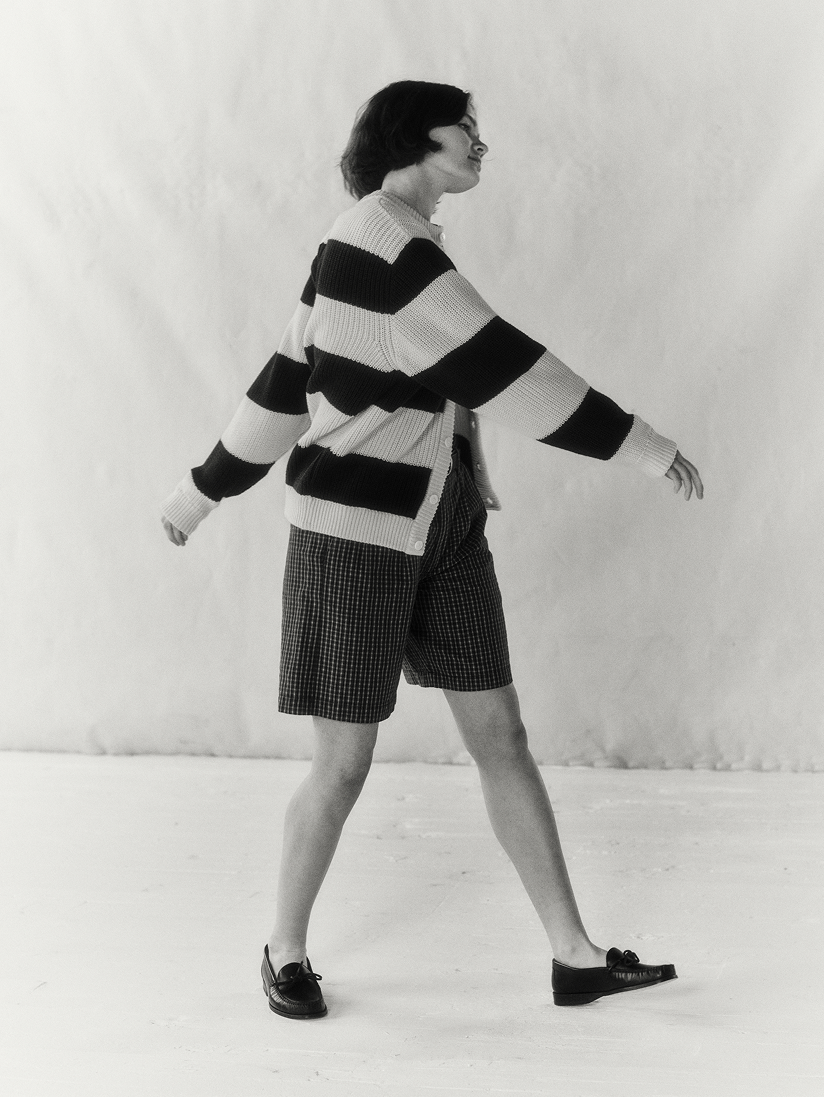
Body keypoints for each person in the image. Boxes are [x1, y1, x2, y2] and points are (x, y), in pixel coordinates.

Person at [161, 80, 703, 1019]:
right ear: (416, 136)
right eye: (468, 129)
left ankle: (573, 956)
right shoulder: (379, 245)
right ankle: (284, 949)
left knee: (502, 739)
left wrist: (466, 459)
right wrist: (643, 446)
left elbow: (400, 374)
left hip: (440, 523)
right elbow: (499, 369)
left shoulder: (403, 242)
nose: (481, 144)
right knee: (344, 763)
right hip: (353, 536)